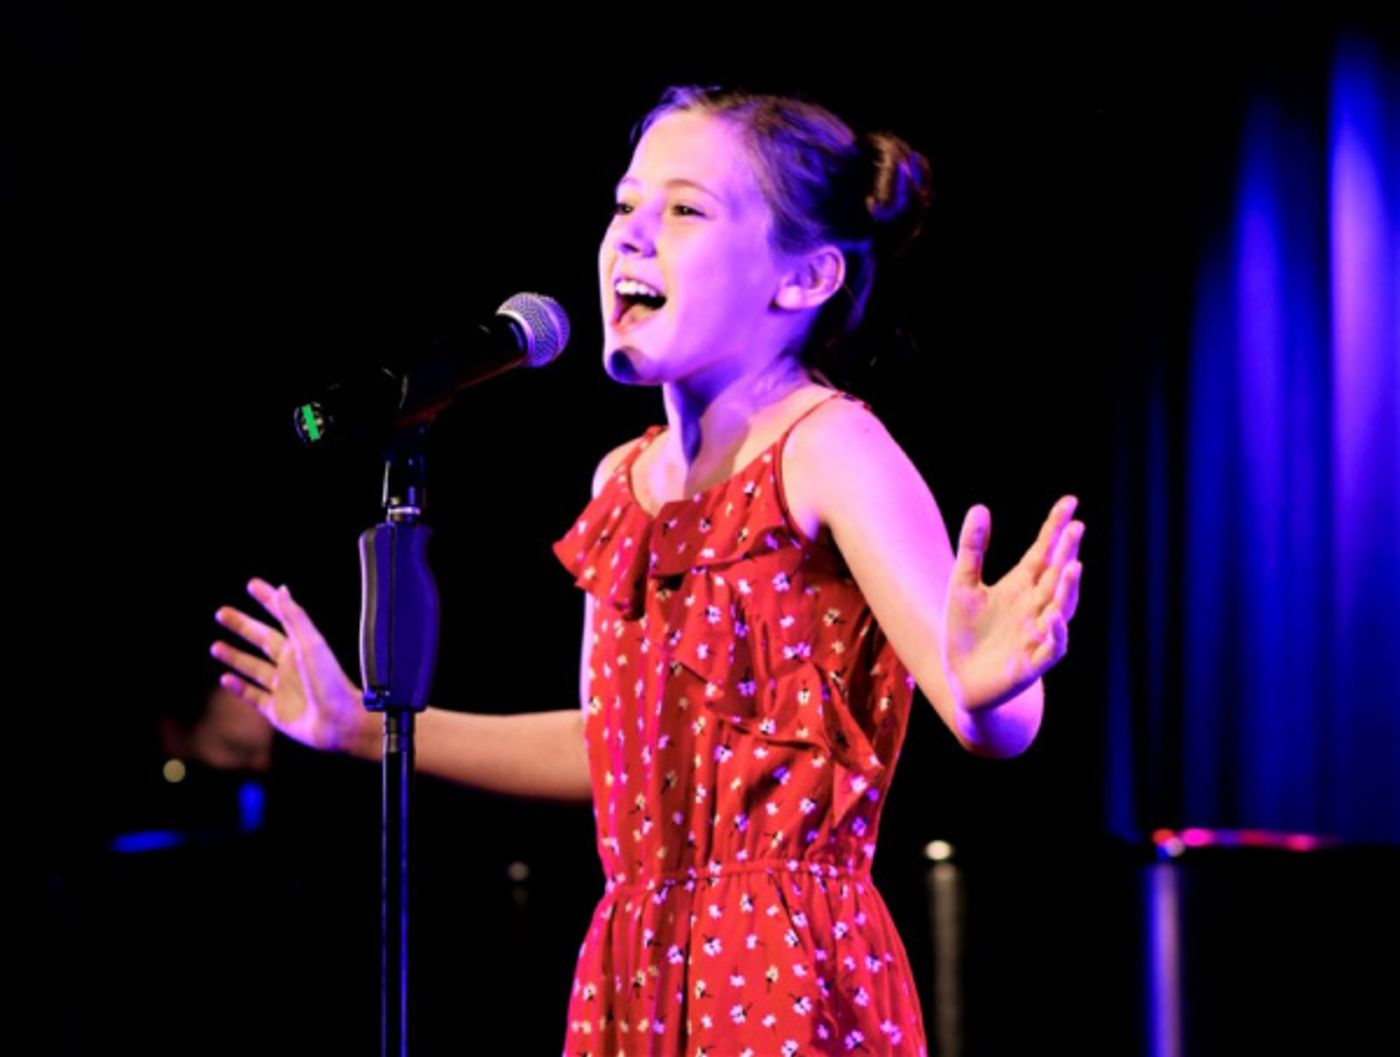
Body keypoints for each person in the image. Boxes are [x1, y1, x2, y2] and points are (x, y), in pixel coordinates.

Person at [212, 85, 1084, 1056]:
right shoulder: (620, 483)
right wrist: (360, 728)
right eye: (625, 204)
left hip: (781, 963)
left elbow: (987, 714)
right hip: (637, 958)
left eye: (685, 209)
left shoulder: (828, 446)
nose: (630, 235)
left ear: (804, 278)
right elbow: (613, 750)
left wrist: (993, 684)